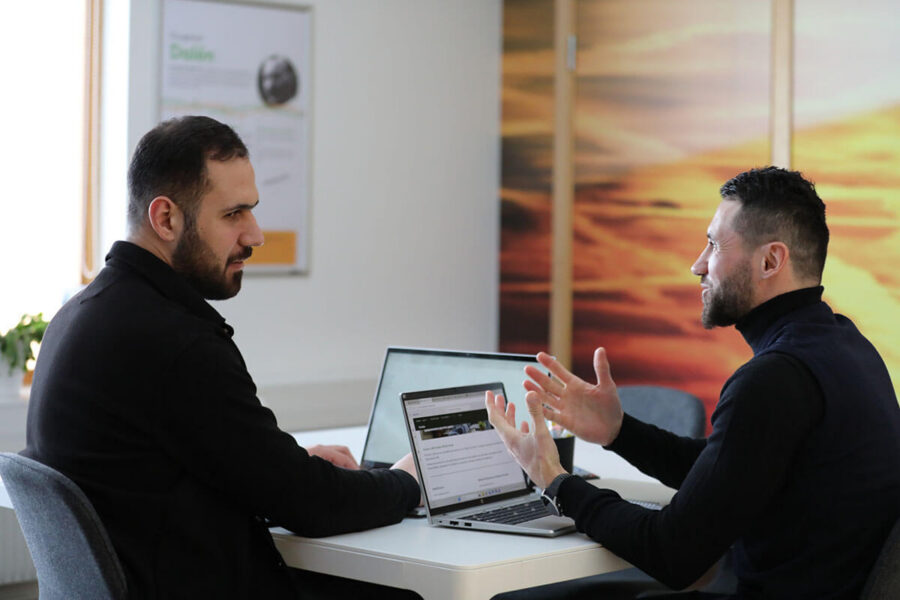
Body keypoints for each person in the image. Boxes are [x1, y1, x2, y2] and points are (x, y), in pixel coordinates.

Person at [24, 116, 421, 599]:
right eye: (233, 214)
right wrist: (406, 480)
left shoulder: (81, 315)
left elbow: (164, 476)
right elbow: (313, 505)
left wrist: (280, 469)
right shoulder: (172, 342)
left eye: (251, 211)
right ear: (166, 218)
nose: (254, 235)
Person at [486, 167, 900, 599]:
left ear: (771, 261)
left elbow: (671, 554)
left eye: (714, 244)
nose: (697, 264)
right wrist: (619, 432)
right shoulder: (847, 347)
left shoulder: (775, 379)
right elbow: (729, 472)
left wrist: (553, 480)